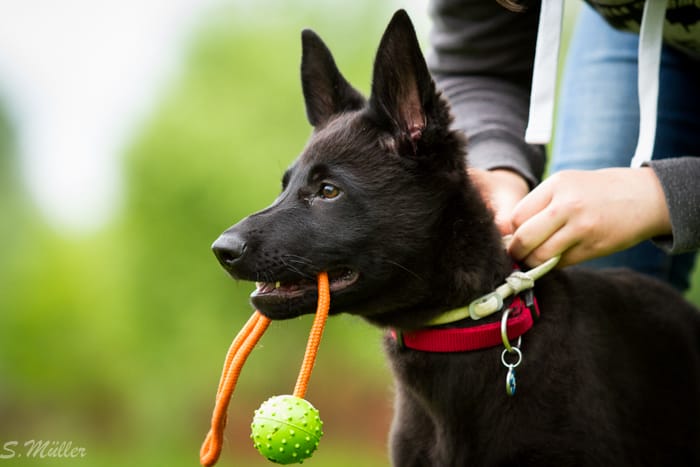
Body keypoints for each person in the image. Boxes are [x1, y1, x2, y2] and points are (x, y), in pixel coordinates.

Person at [427, 0, 700, 291]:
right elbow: (481, 67)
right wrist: (501, 166)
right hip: (637, 24)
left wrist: (660, 197)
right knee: (591, 257)